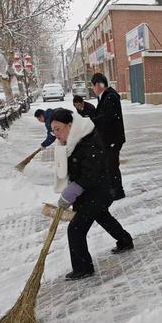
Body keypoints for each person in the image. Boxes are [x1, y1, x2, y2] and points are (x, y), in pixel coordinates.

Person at [51, 108, 134, 281]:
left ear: (70, 125)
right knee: (103, 217)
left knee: (75, 229)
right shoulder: (71, 141)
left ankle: (83, 268)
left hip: (98, 191)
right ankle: (125, 241)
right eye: (53, 130)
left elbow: (90, 174)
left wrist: (70, 193)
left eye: (58, 129)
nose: (55, 134)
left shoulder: (88, 141)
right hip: (91, 192)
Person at [91, 72, 126, 200]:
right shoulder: (106, 96)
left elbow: (107, 118)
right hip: (109, 138)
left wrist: (93, 121)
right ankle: (113, 189)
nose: (93, 89)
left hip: (113, 139)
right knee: (109, 165)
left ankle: (117, 191)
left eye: (93, 86)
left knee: (112, 165)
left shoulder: (110, 97)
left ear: (99, 85)